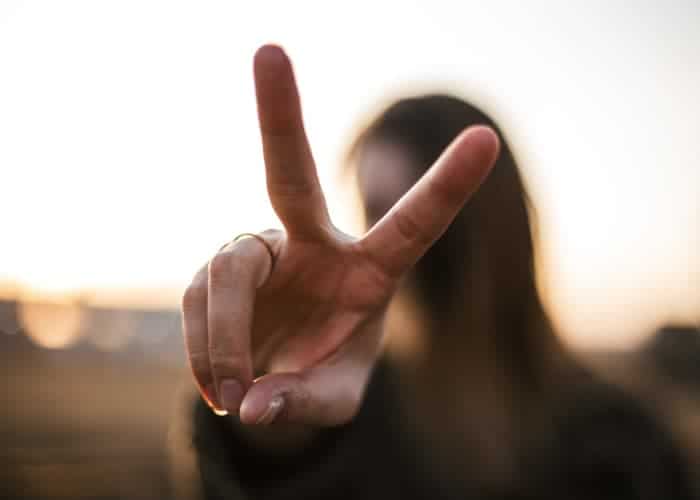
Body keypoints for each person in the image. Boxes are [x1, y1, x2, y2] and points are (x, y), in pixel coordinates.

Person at [175, 44, 695, 499]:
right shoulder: (346, 421)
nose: (387, 248)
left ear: (495, 226)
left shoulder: (626, 446)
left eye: (421, 211)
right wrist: (270, 413)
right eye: (373, 215)